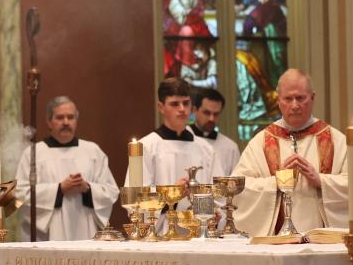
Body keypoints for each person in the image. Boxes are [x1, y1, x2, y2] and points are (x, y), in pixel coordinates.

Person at [232, 68, 353, 237]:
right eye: (288, 99)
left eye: (300, 98)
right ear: (278, 100)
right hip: (277, 244)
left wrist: (321, 180)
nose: (295, 105)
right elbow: (238, 190)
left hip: (324, 245)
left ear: (312, 98)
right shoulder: (260, 143)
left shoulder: (335, 140)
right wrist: (275, 182)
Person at [15, 96, 119, 241]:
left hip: (86, 231)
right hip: (46, 237)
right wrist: (59, 189)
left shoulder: (92, 151)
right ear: (48, 121)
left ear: (76, 120)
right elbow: (20, 194)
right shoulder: (34, 153)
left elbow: (111, 191)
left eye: (70, 117)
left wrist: (87, 188)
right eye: (60, 117)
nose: (65, 122)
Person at [125, 78, 214, 232]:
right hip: (160, 232)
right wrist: (172, 195)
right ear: (161, 107)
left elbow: (215, 195)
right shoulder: (147, 146)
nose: (182, 109)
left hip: (198, 234)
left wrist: (212, 213)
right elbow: (136, 200)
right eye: (174, 104)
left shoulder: (205, 148)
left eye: (186, 103)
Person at [190, 89, 241, 177]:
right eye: (207, 113)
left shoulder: (230, 147)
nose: (211, 119)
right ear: (194, 110)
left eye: (216, 114)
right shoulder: (183, 140)